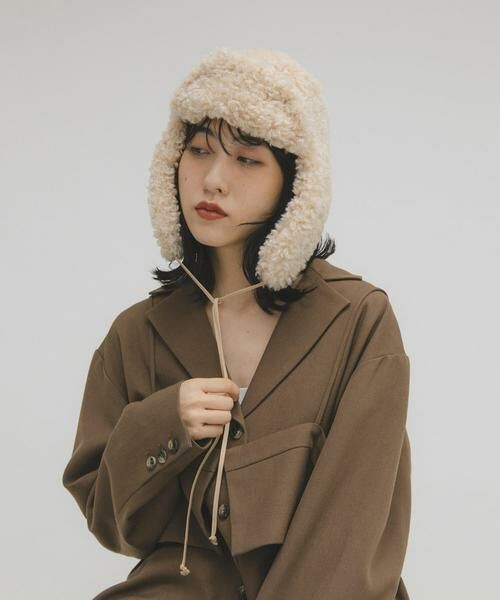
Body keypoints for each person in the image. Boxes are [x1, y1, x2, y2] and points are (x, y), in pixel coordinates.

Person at [62, 47, 412, 600]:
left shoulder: (357, 320)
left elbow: (352, 531)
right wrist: (162, 425)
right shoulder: (136, 335)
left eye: (247, 159)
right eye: (199, 150)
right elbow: (113, 525)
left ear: (294, 182)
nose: (213, 180)